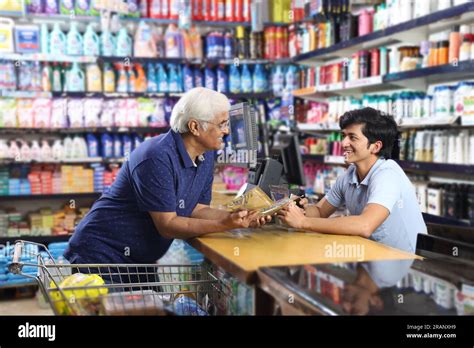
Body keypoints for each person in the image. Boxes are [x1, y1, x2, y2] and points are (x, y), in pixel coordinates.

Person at [64, 87, 269, 265]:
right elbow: (168, 225)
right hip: (103, 255)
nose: (226, 131)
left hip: (139, 260)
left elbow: (196, 209)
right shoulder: (156, 157)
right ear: (195, 127)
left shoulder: (204, 156)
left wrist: (236, 216)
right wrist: (225, 225)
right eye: (222, 124)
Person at [277, 108, 426, 254]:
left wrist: (303, 222)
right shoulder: (350, 174)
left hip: (406, 265)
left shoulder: (388, 175)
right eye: (343, 136)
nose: (343, 143)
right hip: (374, 257)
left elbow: (364, 225)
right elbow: (319, 211)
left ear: (375, 146)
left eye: (352, 137)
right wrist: (296, 209)